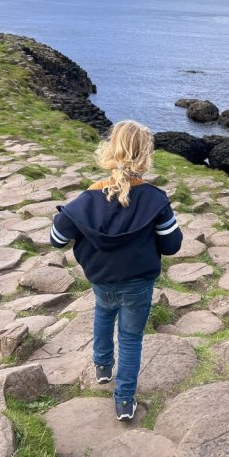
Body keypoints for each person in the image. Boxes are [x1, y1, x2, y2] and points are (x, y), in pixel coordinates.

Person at [49, 120, 183, 420]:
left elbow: (56, 239)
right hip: (138, 282)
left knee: (103, 311)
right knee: (131, 338)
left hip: (102, 278)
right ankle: (124, 401)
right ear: (145, 157)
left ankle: (102, 367)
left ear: (110, 151)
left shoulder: (87, 199)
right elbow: (172, 245)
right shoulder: (155, 199)